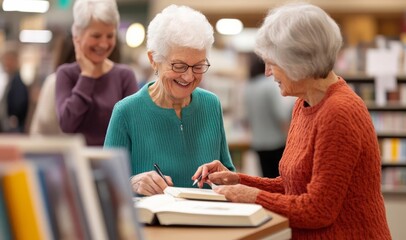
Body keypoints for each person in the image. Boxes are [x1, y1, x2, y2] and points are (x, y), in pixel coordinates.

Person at [193, 3, 391, 239]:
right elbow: (293, 185)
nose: (267, 72)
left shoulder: (339, 112)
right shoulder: (304, 102)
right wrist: (237, 179)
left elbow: (318, 210)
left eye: (272, 62)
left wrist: (252, 196)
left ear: (299, 61)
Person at [104, 4, 235, 196]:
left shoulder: (211, 105)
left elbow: (229, 174)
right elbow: (104, 185)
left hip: (207, 223)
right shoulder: (126, 112)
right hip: (153, 224)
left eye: (198, 66)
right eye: (179, 66)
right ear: (153, 59)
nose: (189, 77)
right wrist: (132, 183)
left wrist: (225, 177)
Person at [55, 0, 138, 146]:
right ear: (77, 36)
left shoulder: (125, 76)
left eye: (110, 36)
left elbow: (134, 128)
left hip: (115, 163)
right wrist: (87, 75)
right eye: (96, 36)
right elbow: (67, 124)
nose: (104, 44)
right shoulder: (66, 74)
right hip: (78, 165)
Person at [243, 53, 295, 178]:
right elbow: (281, 114)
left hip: (258, 142)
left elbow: (246, 117)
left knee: (266, 179)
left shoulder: (248, 87)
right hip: (275, 142)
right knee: (280, 180)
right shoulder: (270, 85)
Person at [0, 42, 29, 133]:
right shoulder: (9, 80)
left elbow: (18, 107)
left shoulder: (17, 83)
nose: (4, 63)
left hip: (12, 130)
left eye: (7, 59)